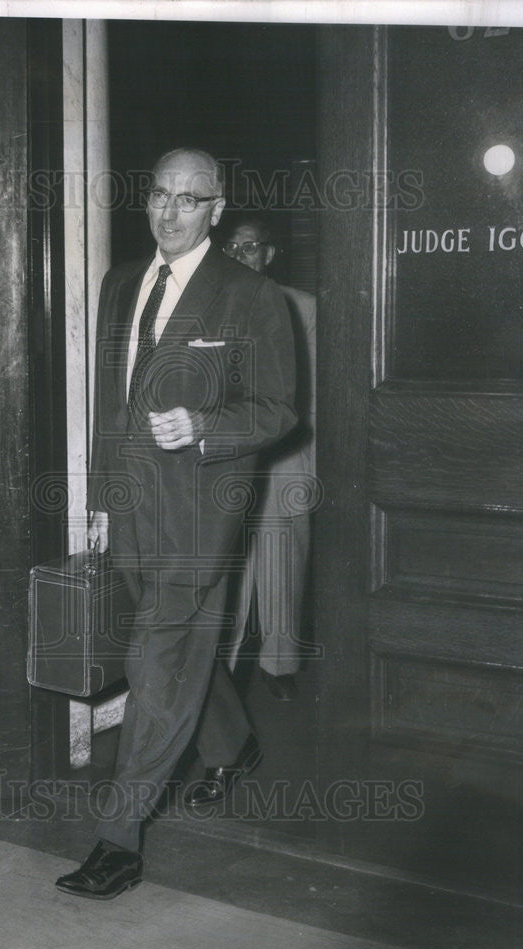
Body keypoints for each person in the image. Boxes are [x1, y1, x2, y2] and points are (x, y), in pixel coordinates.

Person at [55, 148, 296, 901]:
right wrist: (98, 498)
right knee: (178, 643)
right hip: (128, 509)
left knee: (158, 665)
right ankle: (232, 741)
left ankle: (118, 840)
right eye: (158, 195)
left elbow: (278, 410)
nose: (168, 213)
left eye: (188, 201)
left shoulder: (251, 296)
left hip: (199, 512)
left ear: (216, 210)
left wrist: (202, 426)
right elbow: (112, 400)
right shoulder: (120, 283)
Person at [221, 215, 317, 702]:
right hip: (227, 459)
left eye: (251, 248)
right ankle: (226, 668)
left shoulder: (303, 308)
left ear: (270, 254)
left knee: (285, 564)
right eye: (233, 249)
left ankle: (280, 667)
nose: (242, 257)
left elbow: (317, 398)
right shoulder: (215, 309)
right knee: (228, 566)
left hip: (285, 461)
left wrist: (313, 463)